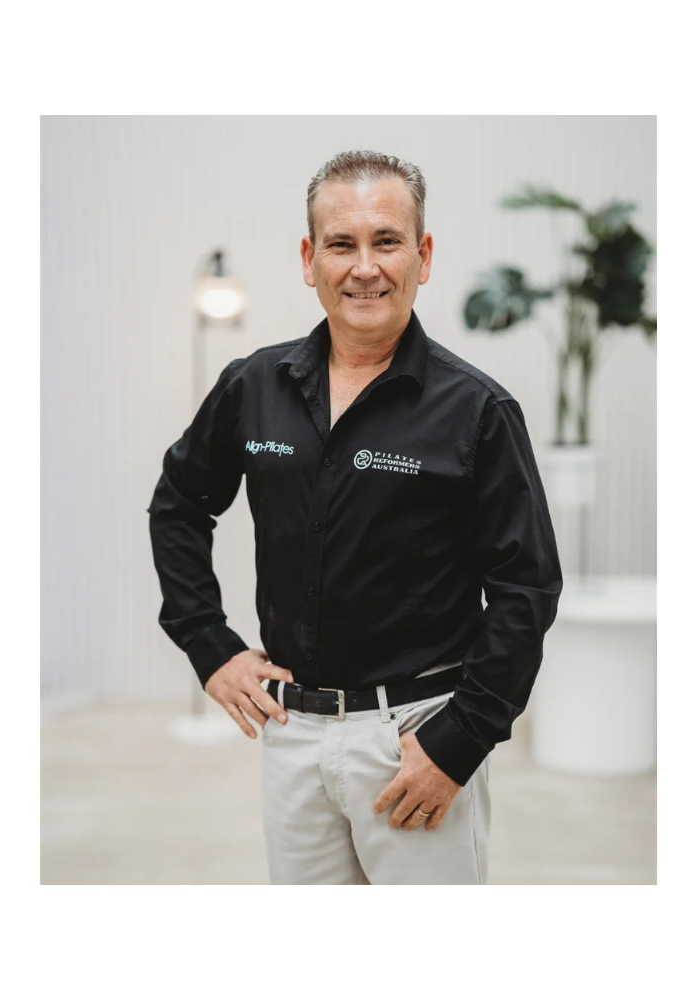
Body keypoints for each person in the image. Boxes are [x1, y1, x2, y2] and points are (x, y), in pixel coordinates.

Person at [148, 149, 563, 885]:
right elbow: (179, 503)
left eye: (386, 241)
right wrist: (208, 645)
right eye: (341, 244)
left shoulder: (476, 411)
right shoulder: (254, 386)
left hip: (415, 739)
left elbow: (525, 587)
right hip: (291, 735)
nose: (364, 267)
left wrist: (460, 740)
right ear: (309, 260)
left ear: (422, 256)